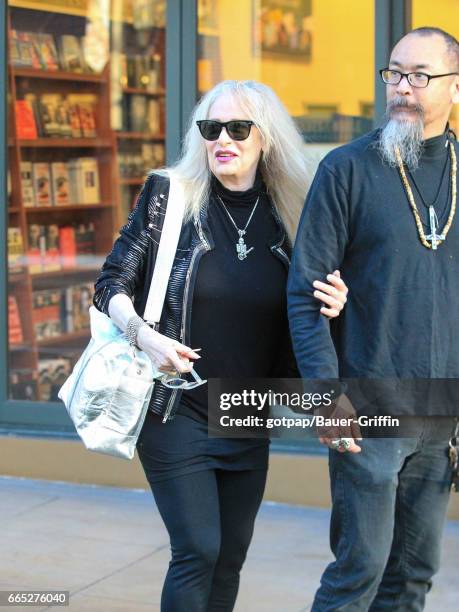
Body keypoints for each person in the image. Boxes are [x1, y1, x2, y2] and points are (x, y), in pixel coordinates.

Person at [92, 80, 348, 612]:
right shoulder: (170, 196)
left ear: (266, 139)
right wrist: (146, 335)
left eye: (238, 128)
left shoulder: (294, 217)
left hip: (245, 416)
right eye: (212, 129)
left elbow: (308, 318)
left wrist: (336, 302)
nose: (222, 140)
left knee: (230, 555)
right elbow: (111, 283)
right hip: (174, 409)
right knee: (198, 550)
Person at [288, 27, 459, 611]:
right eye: (394, 74)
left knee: (413, 580)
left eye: (419, 77)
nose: (402, 90)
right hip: (368, 412)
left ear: (454, 88)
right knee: (357, 575)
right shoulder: (346, 169)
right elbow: (304, 292)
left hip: (443, 420)